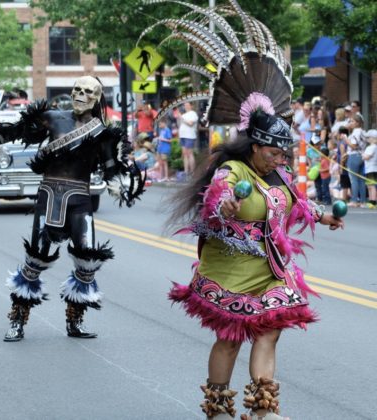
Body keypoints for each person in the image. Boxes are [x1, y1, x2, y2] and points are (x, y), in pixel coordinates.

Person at [141, 2, 344, 419]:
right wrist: (227, 205)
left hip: (268, 268)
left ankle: (264, 409)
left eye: (283, 152)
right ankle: (217, 408)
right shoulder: (232, 170)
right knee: (231, 338)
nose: (280, 158)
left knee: (269, 332)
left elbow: (297, 202)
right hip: (229, 270)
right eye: (273, 151)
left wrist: (325, 216)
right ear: (255, 146)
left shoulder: (280, 175)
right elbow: (217, 201)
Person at [0, 75, 144, 342]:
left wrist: (125, 181)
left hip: (80, 198)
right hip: (49, 194)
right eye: (77, 89)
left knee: (87, 261)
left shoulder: (102, 132)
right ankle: (18, 320)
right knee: (35, 259)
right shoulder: (53, 117)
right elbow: (14, 130)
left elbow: (113, 169)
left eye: (87, 92)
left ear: (96, 97)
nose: (80, 95)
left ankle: (74, 320)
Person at [346, 114, 366, 207]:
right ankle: (363, 201)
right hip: (362, 155)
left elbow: (353, 146)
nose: (351, 123)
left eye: (352, 121)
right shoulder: (363, 131)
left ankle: (354, 200)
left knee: (354, 179)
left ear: (357, 123)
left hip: (354, 156)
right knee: (361, 179)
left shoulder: (355, 132)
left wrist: (346, 139)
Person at [176, 102, 198, 178]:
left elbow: (190, 123)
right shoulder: (184, 115)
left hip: (190, 136)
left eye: (187, 105)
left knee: (189, 154)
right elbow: (180, 125)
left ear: (191, 106)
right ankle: (186, 171)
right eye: (185, 105)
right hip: (183, 136)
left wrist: (181, 117)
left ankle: (192, 172)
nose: (186, 106)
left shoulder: (193, 114)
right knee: (184, 154)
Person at [362, 129, 377, 208]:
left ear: (373, 138)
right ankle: (371, 200)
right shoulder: (372, 147)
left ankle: (373, 201)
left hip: (372, 169)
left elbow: (367, 157)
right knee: (369, 185)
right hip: (369, 169)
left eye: (368, 137)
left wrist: (363, 155)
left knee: (372, 185)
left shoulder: (372, 147)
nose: (367, 139)